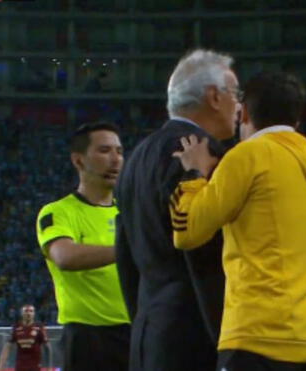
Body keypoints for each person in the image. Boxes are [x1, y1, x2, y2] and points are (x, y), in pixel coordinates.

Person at [169, 71, 306, 370]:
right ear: (296, 119)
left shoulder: (247, 157)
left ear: (244, 112)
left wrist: (195, 173)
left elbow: (187, 231)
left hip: (257, 337)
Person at [114, 49, 238, 371]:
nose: (239, 105)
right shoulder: (202, 152)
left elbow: (125, 256)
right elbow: (205, 255)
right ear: (214, 96)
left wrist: (142, 320)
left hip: (150, 331)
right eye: (235, 93)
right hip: (195, 337)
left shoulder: (137, 157)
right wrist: (224, 340)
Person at [36, 122, 129, 371]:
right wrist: (129, 250)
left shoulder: (131, 212)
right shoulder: (58, 211)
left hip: (136, 333)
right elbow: (64, 257)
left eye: (119, 151)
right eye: (104, 151)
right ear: (78, 160)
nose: (115, 159)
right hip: (88, 339)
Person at [0, 305, 49, 371]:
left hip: (35, 367)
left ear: (34, 313)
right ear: (22, 313)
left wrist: (49, 367)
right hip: (20, 367)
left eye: (31, 311)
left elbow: (47, 347)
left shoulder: (39, 328)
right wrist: (1, 365)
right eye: (26, 311)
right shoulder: (16, 327)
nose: (28, 313)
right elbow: (7, 346)